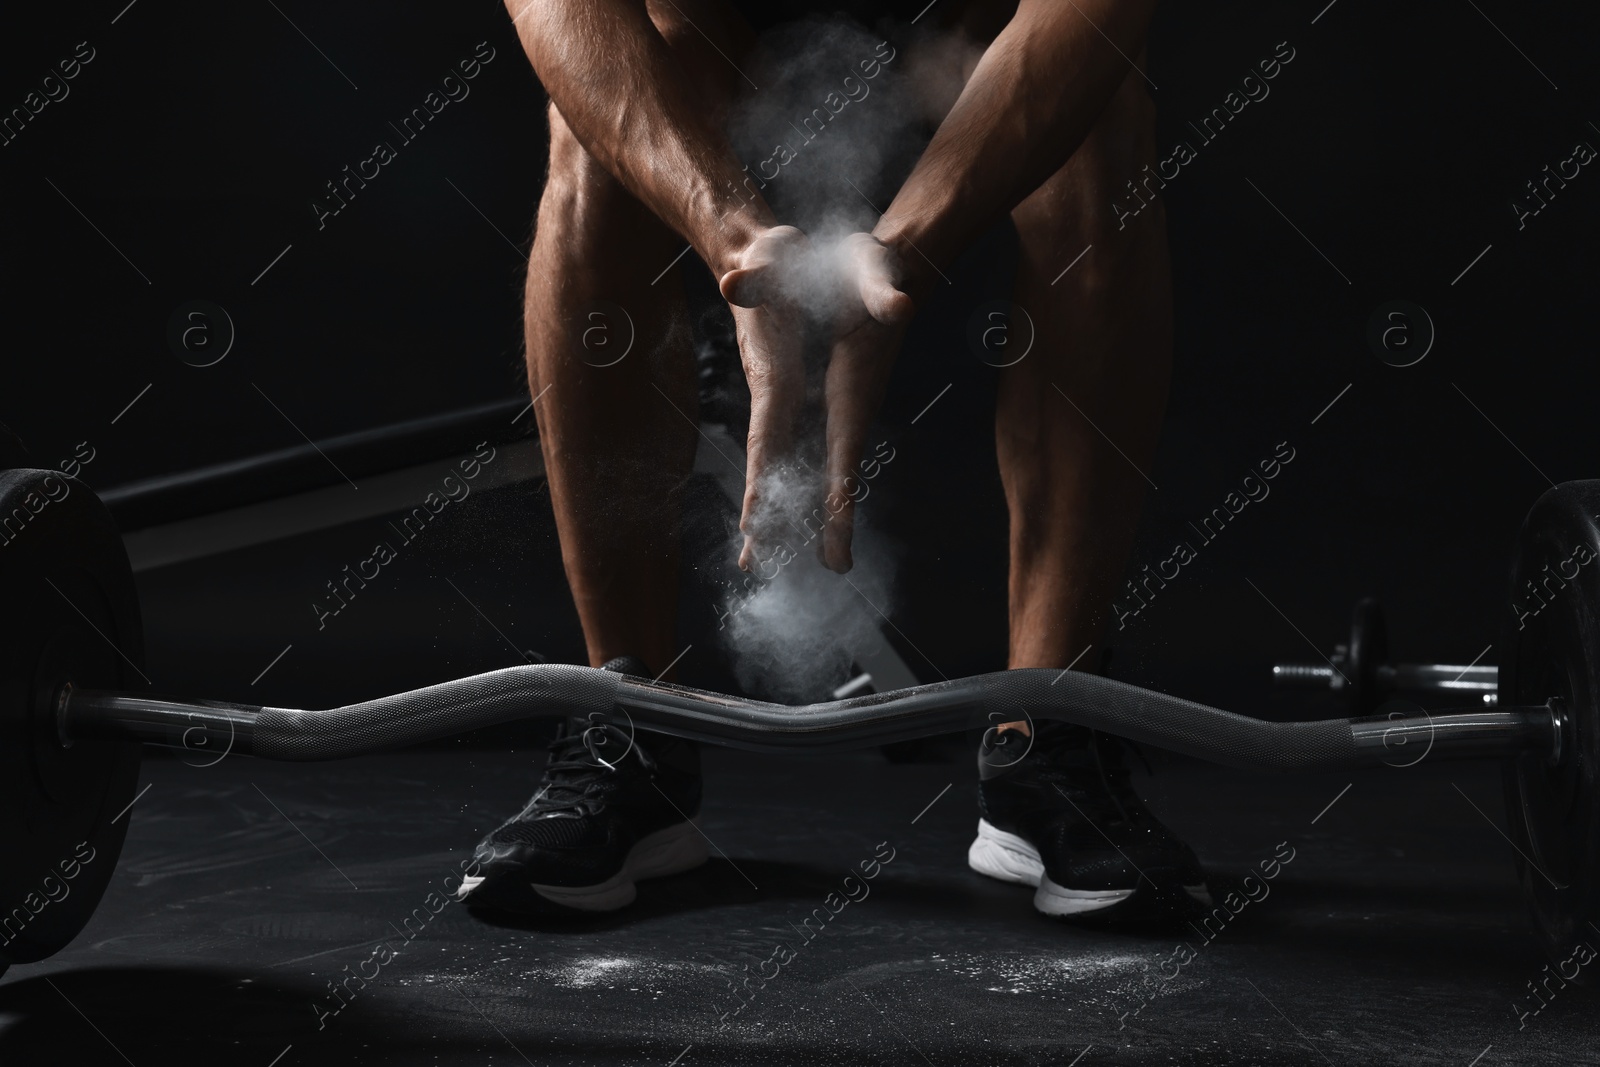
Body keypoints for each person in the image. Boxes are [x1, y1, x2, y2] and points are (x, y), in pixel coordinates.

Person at [456, 0, 1209, 919]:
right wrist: (736, 242)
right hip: (717, 25)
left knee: (1103, 119)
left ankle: (1047, 731)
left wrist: (904, 255)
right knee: (592, 137)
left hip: (967, 26)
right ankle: (631, 727)